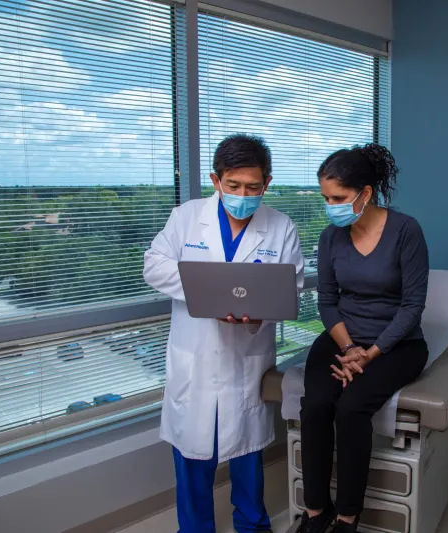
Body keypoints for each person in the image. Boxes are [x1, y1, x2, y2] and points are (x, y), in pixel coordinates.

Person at [144, 134, 305, 533]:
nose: (242, 194)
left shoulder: (281, 227)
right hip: (194, 358)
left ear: (267, 183)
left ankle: (252, 526)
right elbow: (154, 265)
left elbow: (292, 285)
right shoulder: (186, 217)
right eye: (233, 186)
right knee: (192, 454)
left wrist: (258, 317)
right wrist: (207, 293)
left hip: (245, 355)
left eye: (253, 187)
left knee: (247, 455)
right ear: (216, 180)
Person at [296, 144, 429, 533]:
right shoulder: (330, 238)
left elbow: (412, 306)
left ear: (365, 193)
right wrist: (349, 347)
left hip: (396, 344)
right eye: (325, 198)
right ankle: (316, 511)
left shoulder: (406, 231)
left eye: (338, 197)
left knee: (351, 407)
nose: (330, 206)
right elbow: (327, 301)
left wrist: (370, 354)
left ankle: (347, 517)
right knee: (317, 405)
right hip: (343, 339)